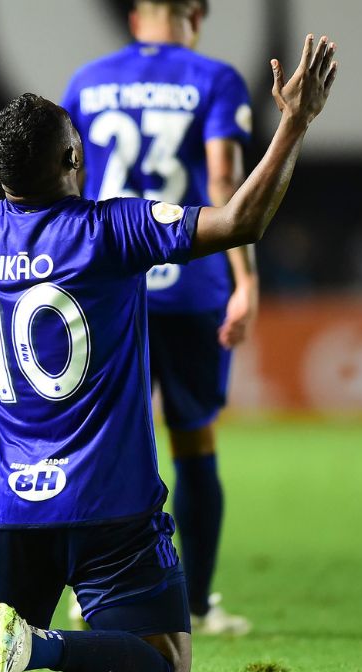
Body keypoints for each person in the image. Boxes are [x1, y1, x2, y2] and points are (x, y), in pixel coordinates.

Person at [0, 32, 336, 672]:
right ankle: (36, 646)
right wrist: (295, 122)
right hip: (113, 509)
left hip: (10, 512)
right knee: (166, 662)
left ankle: (12, 639)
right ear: (70, 156)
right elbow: (240, 222)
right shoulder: (112, 231)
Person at [61, 0, 258, 635]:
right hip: (191, 285)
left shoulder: (88, 82)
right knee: (194, 441)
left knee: (100, 447)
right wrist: (245, 279)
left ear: (134, 16)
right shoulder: (215, 78)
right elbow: (223, 180)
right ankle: (196, 607)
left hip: (107, 286)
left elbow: (67, 184)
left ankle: (90, 596)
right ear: (194, 14)